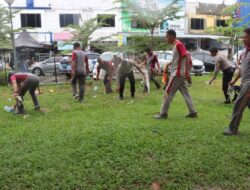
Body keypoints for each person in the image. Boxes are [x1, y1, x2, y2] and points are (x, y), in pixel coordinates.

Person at [154, 30, 197, 119]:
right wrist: (170, 63)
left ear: (172, 36)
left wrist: (187, 72)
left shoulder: (178, 44)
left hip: (177, 74)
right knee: (186, 93)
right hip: (179, 74)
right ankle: (193, 112)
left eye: (167, 37)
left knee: (168, 92)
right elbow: (180, 58)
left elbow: (186, 56)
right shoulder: (176, 45)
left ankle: (163, 113)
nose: (166, 39)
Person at [223, 28, 250, 136]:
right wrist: (234, 80)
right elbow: (242, 69)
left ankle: (233, 129)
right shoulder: (245, 52)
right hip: (244, 81)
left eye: (246, 37)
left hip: (249, 83)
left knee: (238, 104)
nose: (243, 39)